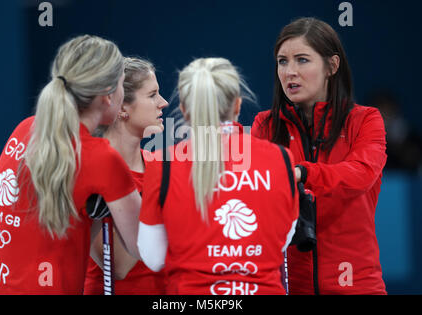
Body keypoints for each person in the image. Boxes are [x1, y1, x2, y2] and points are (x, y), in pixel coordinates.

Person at [0, 35, 142, 294]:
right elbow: (142, 247)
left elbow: (54, 218)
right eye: (122, 85)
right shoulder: (102, 159)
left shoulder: (25, 129)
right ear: (108, 96)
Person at [137, 57, 299, 295]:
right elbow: (283, 241)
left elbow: (153, 257)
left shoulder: (163, 163)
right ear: (237, 105)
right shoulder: (281, 158)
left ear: (184, 110)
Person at [251, 17, 387, 295]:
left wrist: (303, 172)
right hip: (287, 287)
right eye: (282, 61)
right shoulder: (264, 125)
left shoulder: (365, 119)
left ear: (332, 66)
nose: (290, 72)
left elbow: (361, 174)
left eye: (302, 60)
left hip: (356, 286)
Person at [84, 57, 168, 295]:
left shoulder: (160, 166)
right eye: (152, 95)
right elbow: (118, 265)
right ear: (121, 106)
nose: (163, 102)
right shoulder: (93, 168)